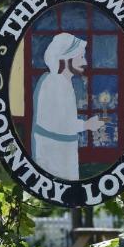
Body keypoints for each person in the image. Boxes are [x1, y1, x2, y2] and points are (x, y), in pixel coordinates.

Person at [32, 32, 103, 180]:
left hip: (62, 151)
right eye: (81, 57)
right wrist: (86, 125)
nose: (85, 62)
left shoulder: (62, 82)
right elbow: (57, 123)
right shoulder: (53, 83)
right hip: (53, 155)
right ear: (66, 58)